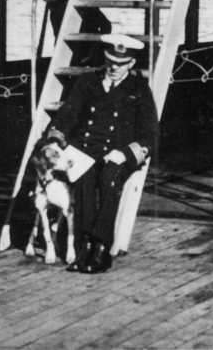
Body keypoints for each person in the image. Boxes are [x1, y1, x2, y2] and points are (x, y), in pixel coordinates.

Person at [46, 33, 158, 274]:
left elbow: (149, 134)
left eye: (121, 63)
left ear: (131, 63)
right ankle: (83, 247)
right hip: (86, 149)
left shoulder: (139, 89)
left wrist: (126, 153)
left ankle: (100, 248)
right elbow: (68, 113)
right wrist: (55, 140)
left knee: (109, 179)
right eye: (110, 62)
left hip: (118, 153)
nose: (114, 68)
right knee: (83, 181)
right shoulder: (88, 82)